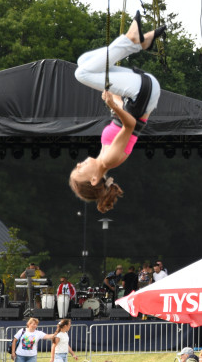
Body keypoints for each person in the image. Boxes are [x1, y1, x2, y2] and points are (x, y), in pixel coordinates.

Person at [69, 12, 164, 212]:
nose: (78, 165)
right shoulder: (109, 159)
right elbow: (129, 125)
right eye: (80, 171)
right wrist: (112, 105)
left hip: (137, 94)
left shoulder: (104, 153)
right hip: (142, 93)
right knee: (82, 73)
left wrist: (115, 97)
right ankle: (131, 40)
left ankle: (140, 43)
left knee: (83, 61)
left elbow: (123, 114)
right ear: (94, 179)